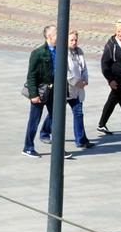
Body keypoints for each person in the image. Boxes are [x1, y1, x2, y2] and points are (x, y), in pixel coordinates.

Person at [39, 28, 93, 150]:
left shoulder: (79, 51)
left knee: (78, 113)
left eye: (76, 40)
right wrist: (76, 82)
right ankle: (45, 132)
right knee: (55, 113)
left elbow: (84, 68)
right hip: (65, 89)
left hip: (78, 90)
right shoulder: (62, 52)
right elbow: (65, 71)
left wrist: (85, 80)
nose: (74, 42)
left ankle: (81, 140)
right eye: (71, 40)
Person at [21, 24, 56, 158]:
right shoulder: (38, 53)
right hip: (41, 91)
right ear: (49, 36)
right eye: (56, 33)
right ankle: (28, 147)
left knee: (58, 119)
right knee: (34, 120)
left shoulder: (60, 50)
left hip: (54, 91)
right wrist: (33, 95)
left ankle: (58, 148)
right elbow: (31, 76)